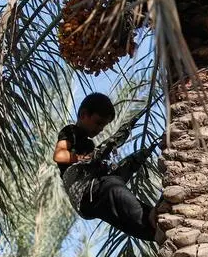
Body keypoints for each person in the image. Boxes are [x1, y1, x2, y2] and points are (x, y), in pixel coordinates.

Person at [54, 92, 157, 241]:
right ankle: (151, 217)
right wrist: (82, 158)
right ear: (84, 114)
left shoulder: (90, 144)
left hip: (94, 197)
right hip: (84, 193)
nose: (101, 129)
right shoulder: (70, 131)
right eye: (98, 122)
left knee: (121, 214)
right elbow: (59, 155)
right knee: (112, 186)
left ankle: (154, 231)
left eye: (104, 125)